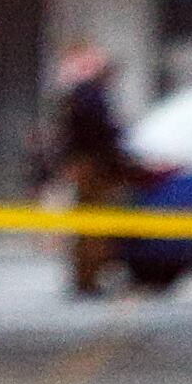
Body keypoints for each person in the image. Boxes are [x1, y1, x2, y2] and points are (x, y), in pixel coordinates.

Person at [50, 43, 130, 298]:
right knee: (94, 225)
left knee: (88, 224)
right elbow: (99, 134)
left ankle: (85, 277)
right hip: (94, 167)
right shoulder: (90, 97)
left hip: (88, 164)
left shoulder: (82, 96)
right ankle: (87, 278)